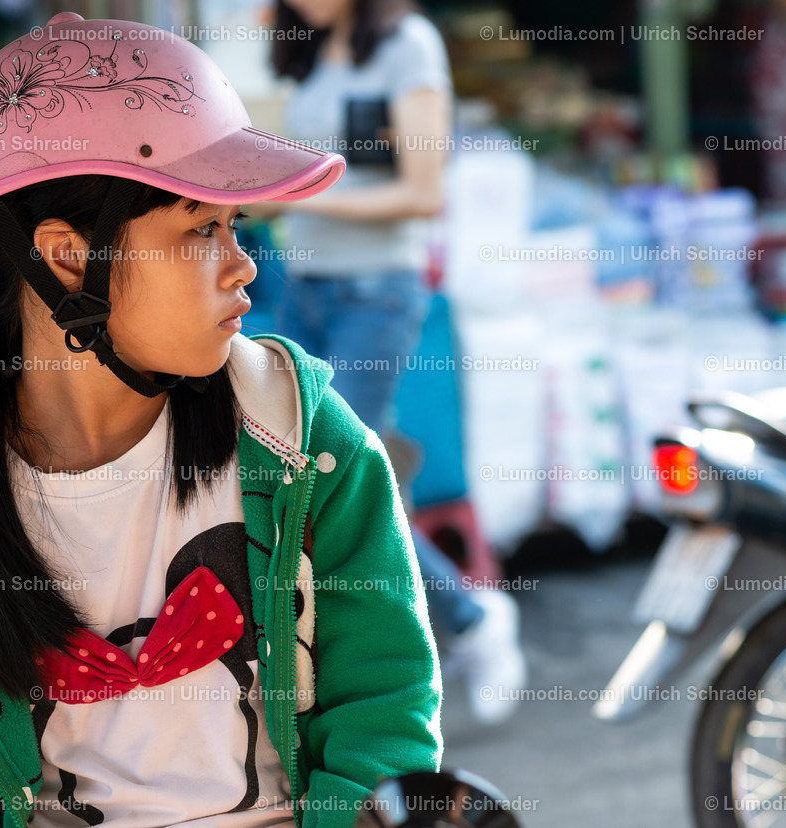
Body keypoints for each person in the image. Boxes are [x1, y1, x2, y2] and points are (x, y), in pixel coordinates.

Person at [0, 13, 441, 828]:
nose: (243, 264)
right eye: (200, 231)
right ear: (68, 256)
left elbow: (384, 714)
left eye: (237, 226)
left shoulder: (305, 442)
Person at [260, 0, 526, 724]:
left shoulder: (408, 45)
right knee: (302, 472)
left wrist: (295, 191)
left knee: (338, 471)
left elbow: (422, 192)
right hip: (303, 287)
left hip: (376, 293)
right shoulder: (305, 51)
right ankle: (353, 666)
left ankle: (471, 618)